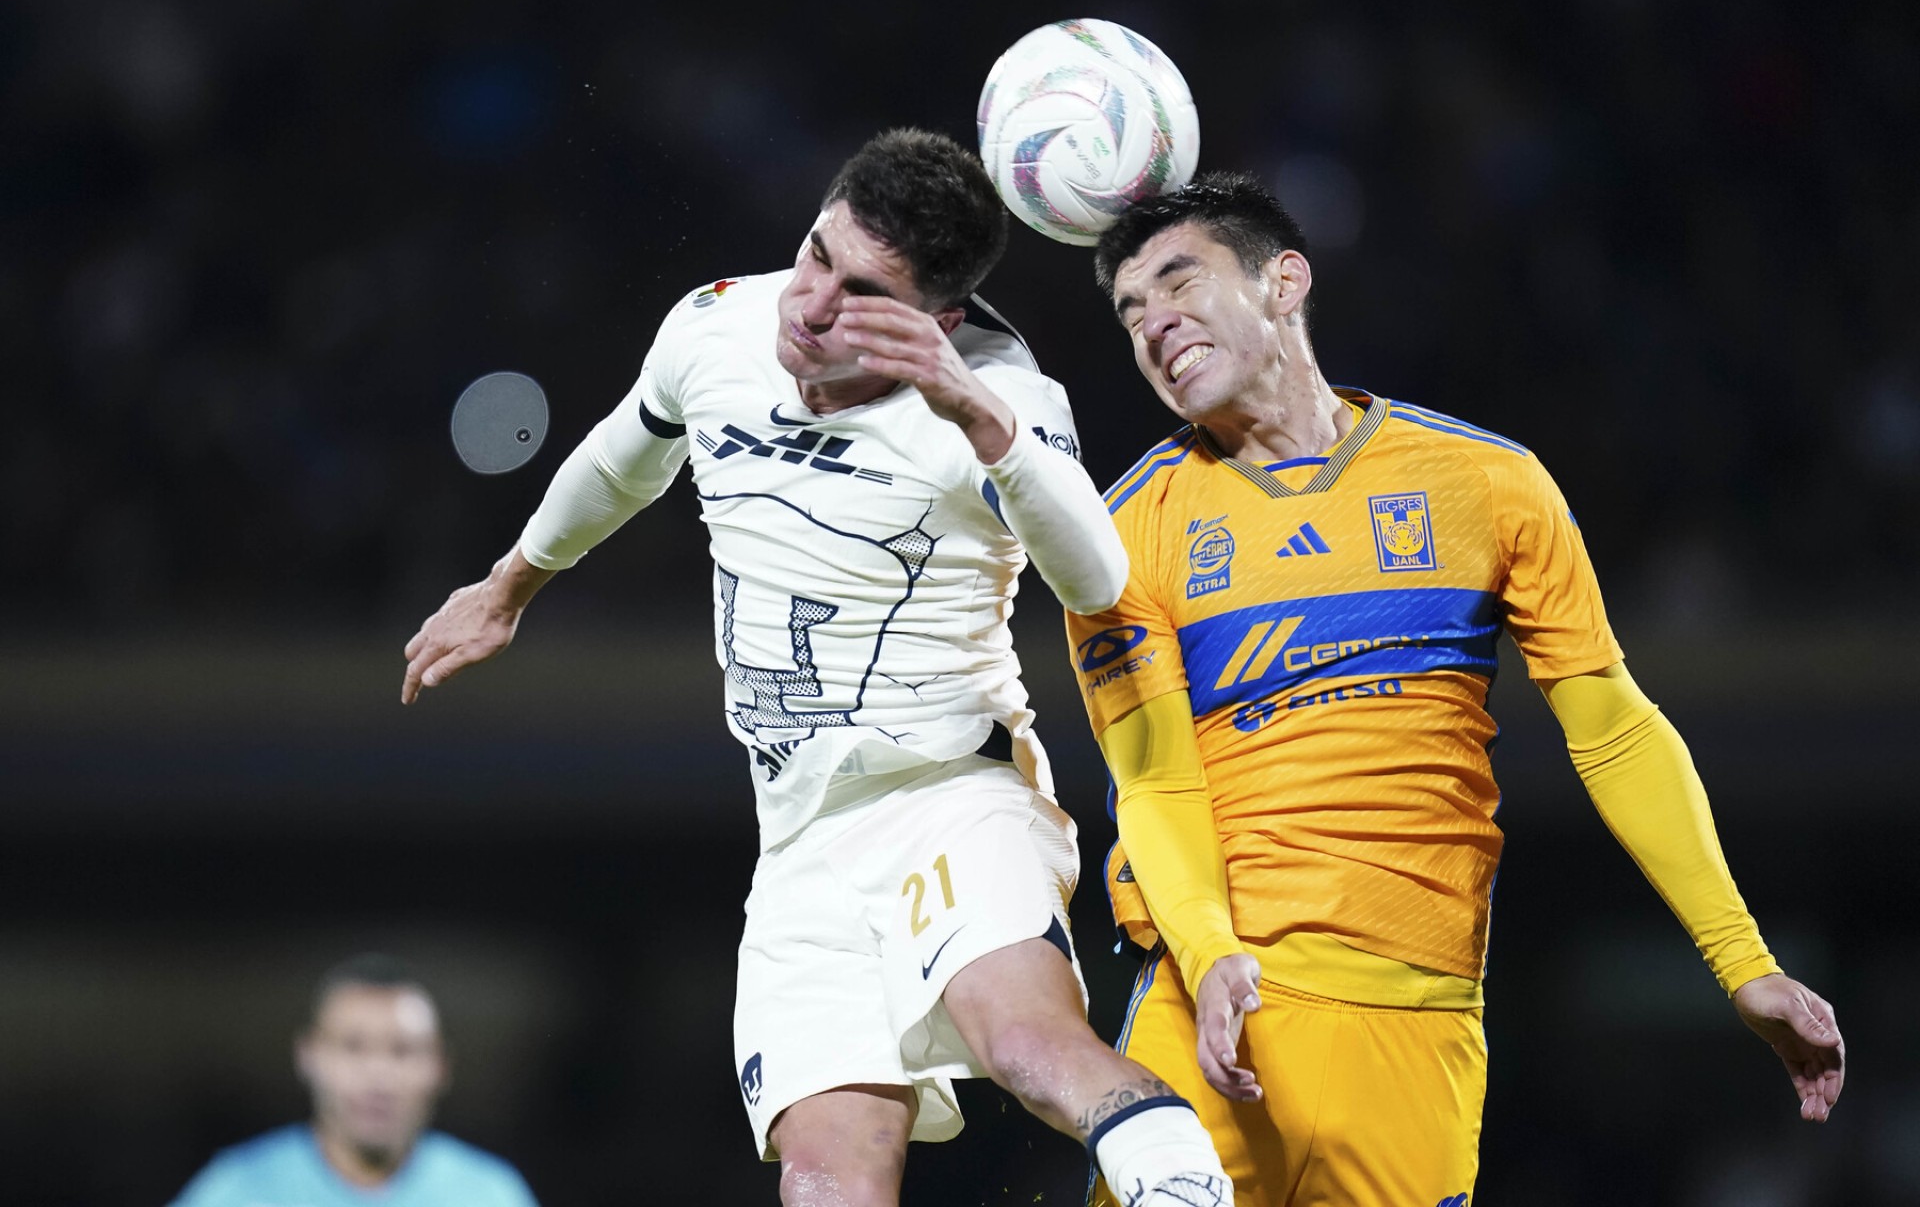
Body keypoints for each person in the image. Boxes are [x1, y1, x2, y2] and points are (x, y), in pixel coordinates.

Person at [400, 128, 1231, 1207]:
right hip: (797, 833)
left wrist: (972, 412)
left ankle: (1186, 1187)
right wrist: (512, 583)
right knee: (825, 1173)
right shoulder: (717, 324)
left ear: (937, 321)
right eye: (816, 254)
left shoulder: (999, 397)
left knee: (1027, 1045)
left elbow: (1094, 572)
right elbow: (625, 454)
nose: (811, 304)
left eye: (862, 293)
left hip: (947, 792)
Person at [1065, 172, 1846, 1206]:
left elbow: (1614, 730)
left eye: (1178, 281)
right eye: (1130, 312)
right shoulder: (1123, 535)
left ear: (1285, 281)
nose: (1154, 323)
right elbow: (1155, 781)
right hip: (1217, 1010)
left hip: (1421, 1032)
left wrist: (1743, 960)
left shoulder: (1487, 482)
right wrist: (1209, 956)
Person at [168, 953, 537, 1207]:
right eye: (353, 1047)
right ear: (308, 1056)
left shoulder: (490, 1195)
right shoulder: (238, 1190)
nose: (378, 1075)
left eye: (402, 1051)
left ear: (439, 1066)